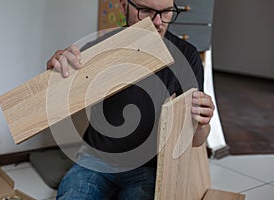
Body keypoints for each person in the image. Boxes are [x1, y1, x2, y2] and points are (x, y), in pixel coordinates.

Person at [47, 0, 215, 199]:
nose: (158, 22)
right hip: (95, 159)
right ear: (124, 6)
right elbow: (56, 101)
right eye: (146, 10)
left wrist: (203, 124)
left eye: (167, 12)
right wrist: (54, 75)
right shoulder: (101, 48)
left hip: (151, 167)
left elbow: (195, 141)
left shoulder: (187, 56)